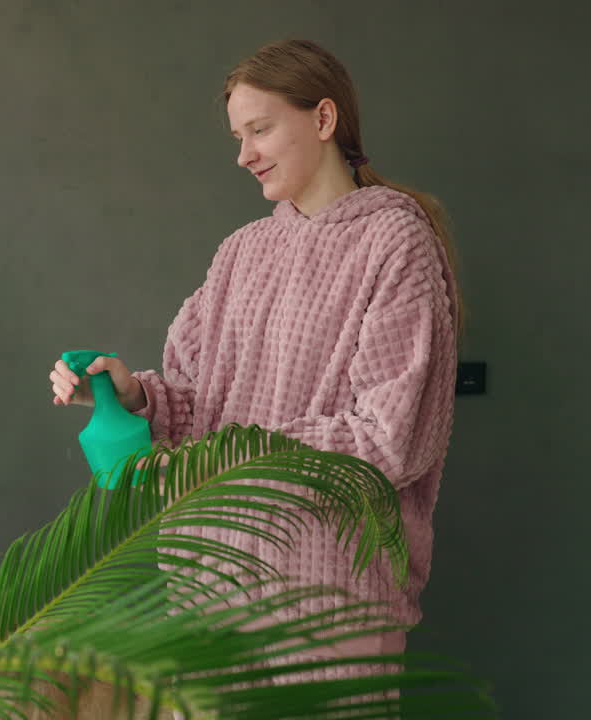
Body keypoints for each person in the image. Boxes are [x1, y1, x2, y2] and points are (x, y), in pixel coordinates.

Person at [49, 39, 459, 679]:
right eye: (238, 136)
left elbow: (389, 439)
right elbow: (197, 399)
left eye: (260, 130)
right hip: (208, 592)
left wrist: (222, 463)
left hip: (326, 608)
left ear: (323, 120)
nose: (244, 156)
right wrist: (134, 396)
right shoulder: (243, 250)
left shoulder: (395, 241)